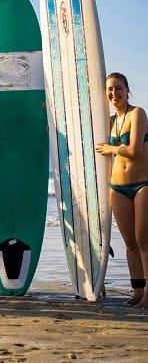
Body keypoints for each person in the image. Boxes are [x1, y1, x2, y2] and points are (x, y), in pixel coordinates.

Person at [96, 72, 148, 308]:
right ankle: (137, 292)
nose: (114, 93)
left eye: (118, 88)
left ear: (127, 91)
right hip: (118, 187)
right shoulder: (108, 122)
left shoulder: (138, 114)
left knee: (143, 240)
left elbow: (134, 150)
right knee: (129, 243)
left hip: (142, 184)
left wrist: (111, 148)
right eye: (110, 89)